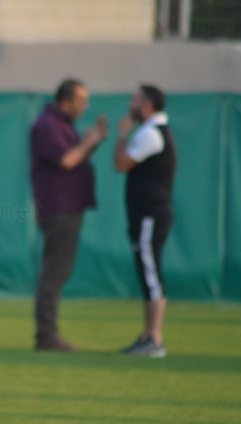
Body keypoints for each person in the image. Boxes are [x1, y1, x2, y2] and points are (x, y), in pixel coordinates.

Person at [30, 79, 108, 352]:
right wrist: (92, 141)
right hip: (59, 209)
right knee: (54, 273)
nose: (85, 107)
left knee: (58, 272)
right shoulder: (48, 125)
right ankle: (47, 336)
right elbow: (67, 160)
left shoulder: (60, 124)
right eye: (81, 101)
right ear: (66, 102)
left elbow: (75, 156)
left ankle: (47, 334)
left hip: (68, 208)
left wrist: (92, 142)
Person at [114, 84, 177, 358]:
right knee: (146, 273)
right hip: (146, 215)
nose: (131, 104)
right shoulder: (151, 131)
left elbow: (121, 164)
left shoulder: (152, 133)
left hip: (151, 214)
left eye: (135, 100)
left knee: (151, 275)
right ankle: (147, 336)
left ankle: (155, 339)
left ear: (147, 106)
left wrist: (122, 136)